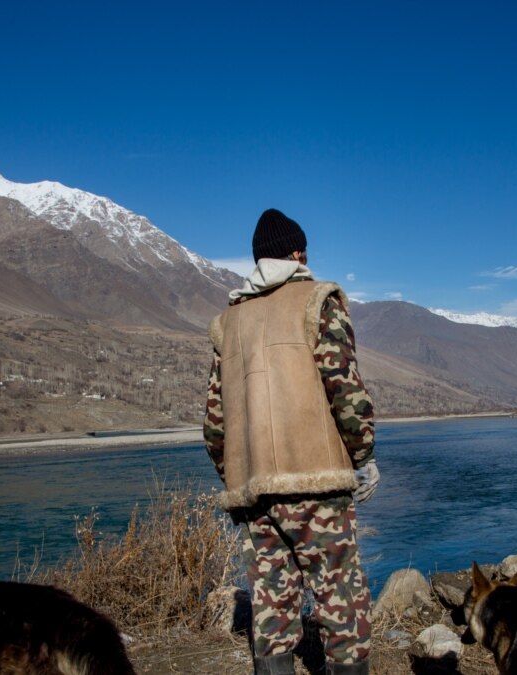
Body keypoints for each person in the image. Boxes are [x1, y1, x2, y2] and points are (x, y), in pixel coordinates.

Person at [204, 208, 380, 675]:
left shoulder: (228, 322)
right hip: (316, 481)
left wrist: (237, 474)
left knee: (271, 601)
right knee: (340, 596)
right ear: (298, 253)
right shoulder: (318, 300)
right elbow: (345, 389)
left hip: (254, 486)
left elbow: (214, 424)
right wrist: (363, 455)